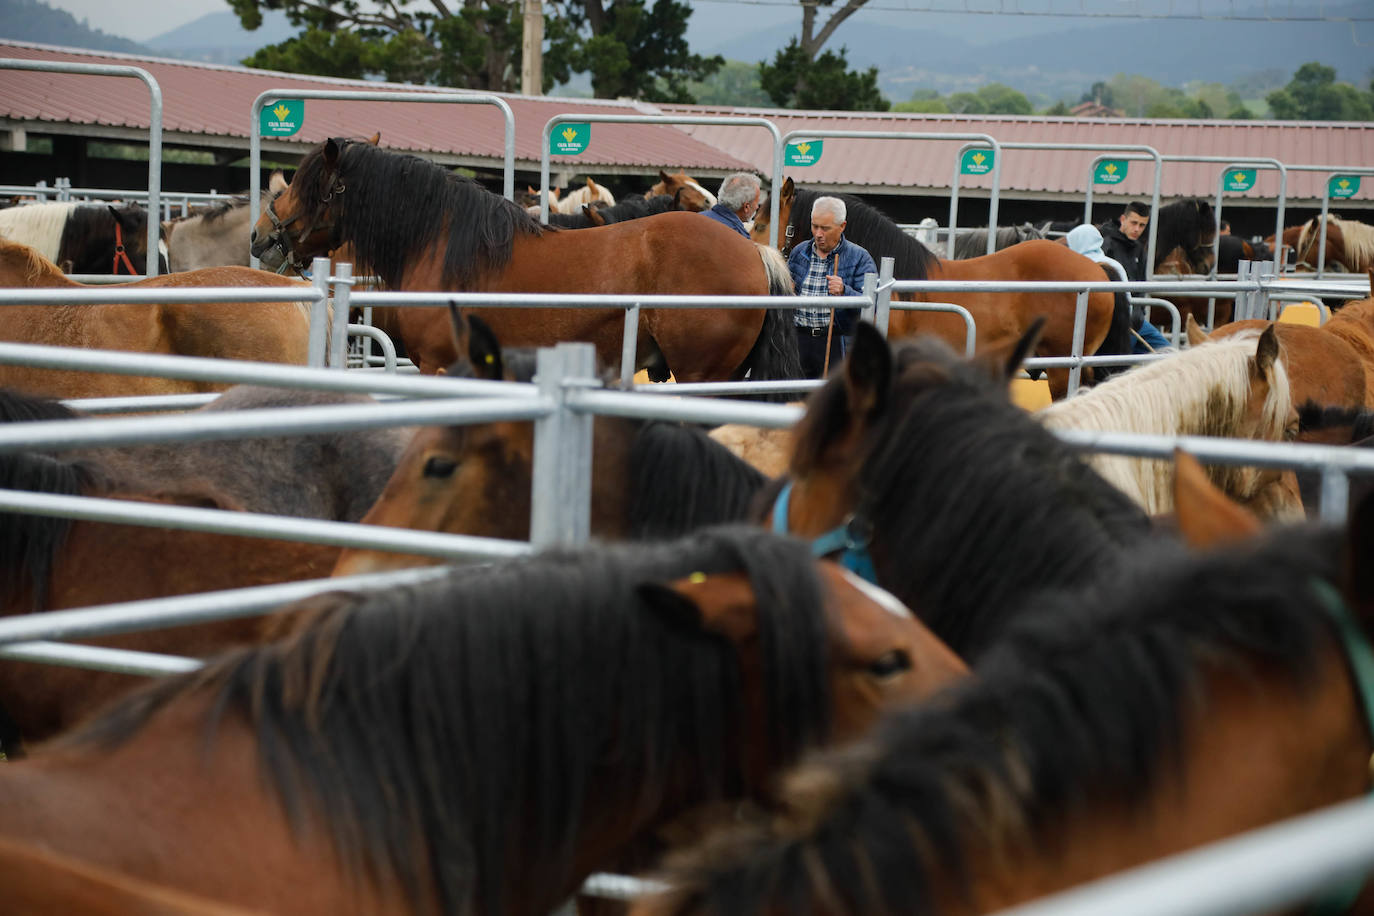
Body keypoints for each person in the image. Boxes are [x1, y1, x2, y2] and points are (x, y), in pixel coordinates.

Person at [787, 196, 877, 377]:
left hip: (836, 340)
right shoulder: (798, 252)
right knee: (794, 394)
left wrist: (845, 291)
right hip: (798, 338)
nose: (818, 234)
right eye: (815, 226)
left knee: (830, 399)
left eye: (825, 228)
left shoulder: (860, 257)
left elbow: (872, 304)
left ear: (842, 226)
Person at [1066, 224, 1172, 356]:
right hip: (1130, 323)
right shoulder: (1114, 264)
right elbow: (1127, 301)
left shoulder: (1074, 268)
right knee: (1168, 352)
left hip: (1097, 329)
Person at [1098, 201, 1150, 282]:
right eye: (1134, 223)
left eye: (1142, 225)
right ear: (1123, 219)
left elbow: (1142, 281)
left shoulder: (1139, 249)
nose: (1137, 229)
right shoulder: (1106, 244)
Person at [702, 173, 761, 239]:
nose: (757, 207)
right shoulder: (738, 237)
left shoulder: (697, 218)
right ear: (746, 207)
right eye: (757, 202)